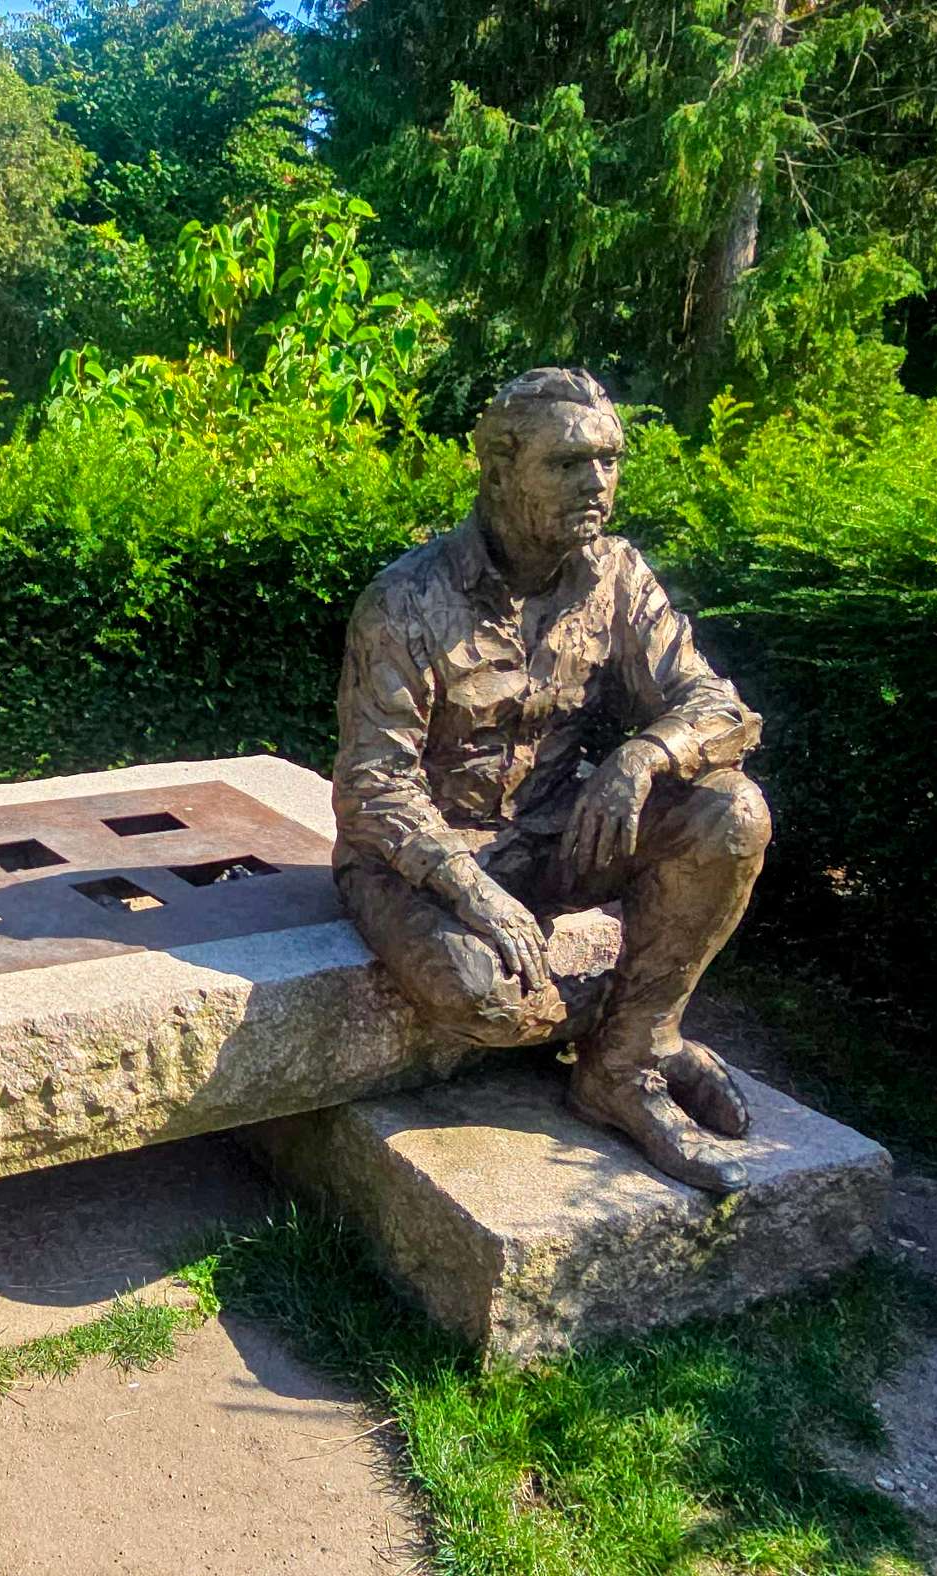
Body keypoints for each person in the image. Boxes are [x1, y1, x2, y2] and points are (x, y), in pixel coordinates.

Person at [332, 367, 770, 1193]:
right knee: (481, 996)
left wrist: (644, 756)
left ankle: (623, 1066)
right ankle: (643, 1031)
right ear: (500, 470)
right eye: (568, 464)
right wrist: (471, 890)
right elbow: (373, 786)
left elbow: (719, 706)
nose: (597, 483)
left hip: (555, 832)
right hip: (421, 863)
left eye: (609, 461)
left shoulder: (617, 576)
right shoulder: (405, 601)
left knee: (732, 813)